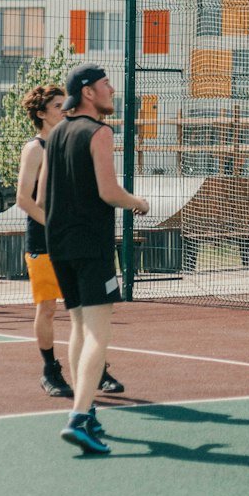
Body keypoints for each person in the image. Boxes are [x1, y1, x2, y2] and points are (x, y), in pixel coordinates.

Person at [40, 64, 148, 455]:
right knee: (99, 332)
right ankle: (80, 416)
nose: (111, 89)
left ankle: (80, 407)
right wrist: (137, 202)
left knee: (80, 329)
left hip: (60, 244)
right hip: (91, 244)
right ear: (88, 92)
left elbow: (41, 200)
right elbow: (108, 191)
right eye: (105, 84)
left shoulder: (55, 136)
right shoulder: (99, 133)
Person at [15, 83, 124, 399]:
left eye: (67, 104)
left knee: (89, 308)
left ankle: (96, 368)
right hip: (45, 241)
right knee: (48, 308)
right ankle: (50, 370)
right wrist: (53, 226)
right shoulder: (35, 149)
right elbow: (24, 199)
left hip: (80, 239)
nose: (65, 110)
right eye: (57, 106)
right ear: (40, 114)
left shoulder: (75, 142)